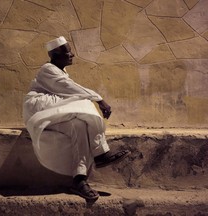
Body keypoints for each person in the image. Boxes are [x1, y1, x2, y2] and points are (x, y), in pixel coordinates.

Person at [23, 36, 130, 202]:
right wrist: (99, 99)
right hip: (40, 106)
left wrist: (95, 98)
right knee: (84, 103)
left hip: (52, 107)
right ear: (54, 55)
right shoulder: (48, 69)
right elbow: (71, 88)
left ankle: (79, 180)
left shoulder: (61, 70)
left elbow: (71, 89)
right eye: (67, 52)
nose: (72, 55)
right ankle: (101, 153)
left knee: (78, 126)